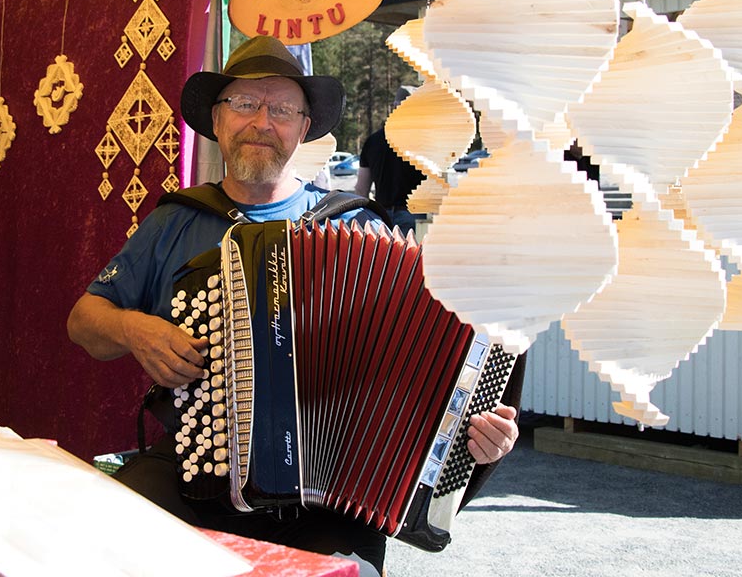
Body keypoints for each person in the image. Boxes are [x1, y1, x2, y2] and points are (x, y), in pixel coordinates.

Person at [67, 35, 519, 576]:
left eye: (282, 109)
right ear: (218, 118)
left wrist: (477, 438)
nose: (262, 121)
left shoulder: (355, 227)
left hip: (325, 496)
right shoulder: (175, 221)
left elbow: (430, 367)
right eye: (245, 103)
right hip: (195, 465)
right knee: (107, 540)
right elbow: (84, 321)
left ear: (303, 129)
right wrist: (135, 328)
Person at [354, 85, 425, 235]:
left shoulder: (373, 141)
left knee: (385, 259)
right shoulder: (423, 141)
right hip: (414, 216)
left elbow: (361, 189)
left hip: (381, 217)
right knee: (411, 259)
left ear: (394, 107)